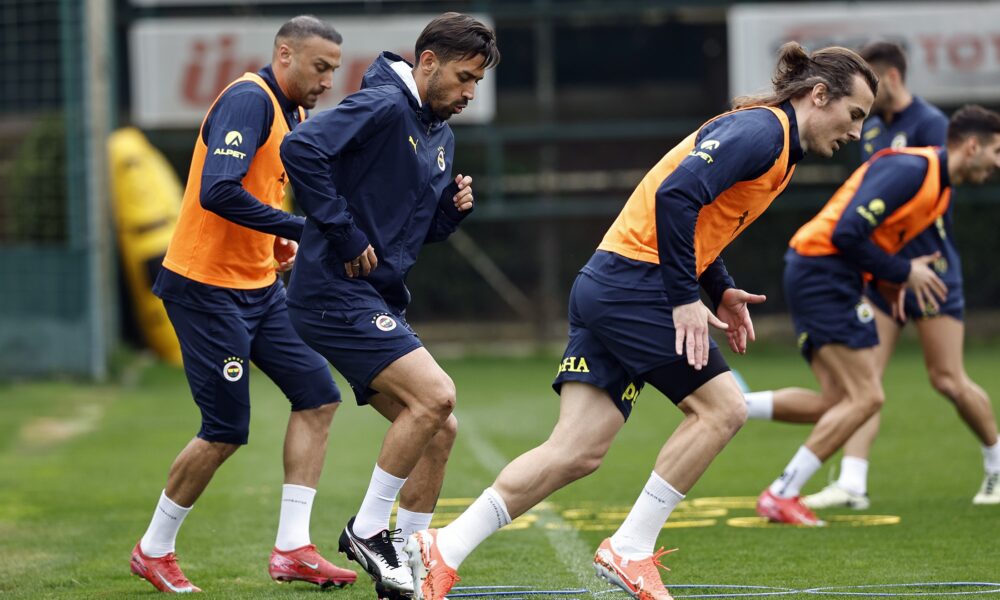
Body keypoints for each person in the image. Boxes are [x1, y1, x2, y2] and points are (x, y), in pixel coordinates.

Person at [402, 42, 877, 600]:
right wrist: (683, 297)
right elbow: (676, 196)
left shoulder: (777, 145)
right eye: (854, 114)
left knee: (576, 451)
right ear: (818, 94)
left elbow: (700, 218)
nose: (856, 131)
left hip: (611, 282)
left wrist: (720, 288)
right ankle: (630, 549)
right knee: (723, 409)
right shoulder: (763, 132)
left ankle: (445, 547)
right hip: (635, 285)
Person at [128, 16, 358, 593]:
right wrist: (301, 229)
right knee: (225, 428)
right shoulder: (248, 100)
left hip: (260, 289)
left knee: (319, 396)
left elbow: (260, 194)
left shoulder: (292, 113)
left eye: (334, 69)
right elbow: (219, 190)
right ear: (285, 55)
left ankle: (293, 549)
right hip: (205, 289)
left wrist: (278, 241)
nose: (328, 81)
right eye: (320, 67)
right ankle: (153, 549)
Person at [277, 12, 500, 599]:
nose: (470, 93)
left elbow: (407, 233)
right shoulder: (383, 104)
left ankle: (408, 562)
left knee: (440, 430)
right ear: (427, 62)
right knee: (437, 395)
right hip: (331, 291)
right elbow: (300, 148)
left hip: (371, 297)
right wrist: (343, 232)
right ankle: (369, 529)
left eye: (477, 81)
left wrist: (448, 214)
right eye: (464, 77)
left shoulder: (438, 135)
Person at [745, 42, 1000, 508]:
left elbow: (874, 233)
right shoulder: (917, 166)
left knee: (843, 398)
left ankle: (737, 408)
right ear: (971, 146)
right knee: (867, 396)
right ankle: (787, 491)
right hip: (831, 271)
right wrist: (901, 272)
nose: (998, 162)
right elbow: (849, 231)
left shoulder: (937, 183)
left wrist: (891, 278)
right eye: (997, 150)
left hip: (851, 272)